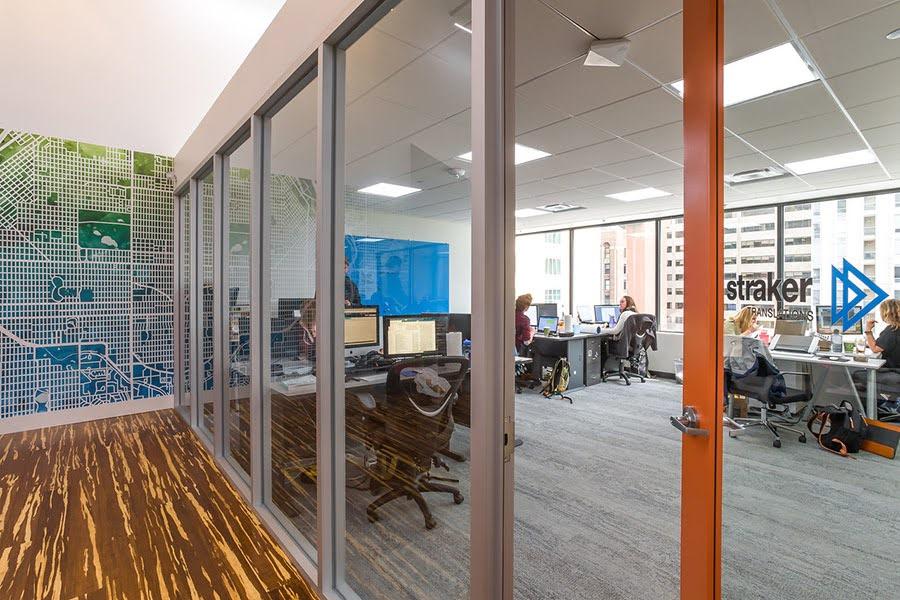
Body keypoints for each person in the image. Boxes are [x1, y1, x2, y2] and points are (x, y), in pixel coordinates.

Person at [853, 300, 900, 405]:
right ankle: (882, 404)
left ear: (887, 313)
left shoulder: (892, 330)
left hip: (894, 372)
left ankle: (871, 409)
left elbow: (875, 348)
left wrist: (868, 330)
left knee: (857, 375)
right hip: (896, 371)